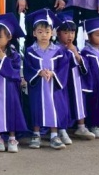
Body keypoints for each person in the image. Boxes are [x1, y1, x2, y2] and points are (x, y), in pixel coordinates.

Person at [24, 8, 71, 150]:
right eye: (40, 32)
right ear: (34, 33)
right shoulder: (30, 51)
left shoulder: (59, 51)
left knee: (54, 108)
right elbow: (27, 68)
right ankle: (36, 134)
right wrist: (38, 72)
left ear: (52, 32)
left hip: (53, 86)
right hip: (38, 86)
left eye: (47, 32)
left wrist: (53, 73)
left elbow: (64, 67)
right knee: (36, 108)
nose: (44, 35)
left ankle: (54, 136)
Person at [0, 13, 28, 153]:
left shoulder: (14, 55)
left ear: (9, 37)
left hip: (10, 89)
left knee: (12, 111)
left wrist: (3, 59)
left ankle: (12, 137)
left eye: (0, 37)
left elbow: (15, 73)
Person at [53, 11, 93, 144]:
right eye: (66, 32)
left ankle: (81, 127)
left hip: (75, 81)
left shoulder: (75, 48)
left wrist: (76, 54)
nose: (70, 36)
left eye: (72, 32)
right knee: (62, 104)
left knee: (79, 100)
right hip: (62, 81)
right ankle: (62, 130)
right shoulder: (55, 49)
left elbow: (83, 67)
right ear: (58, 33)